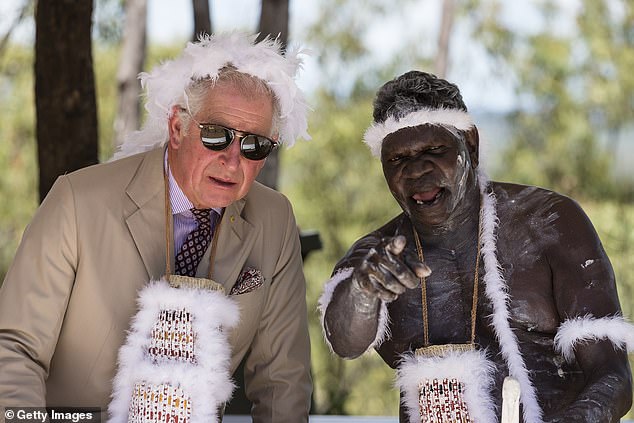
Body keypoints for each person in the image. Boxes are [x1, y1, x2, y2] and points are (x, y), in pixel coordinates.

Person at [0, 33, 312, 422]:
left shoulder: (274, 217)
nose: (233, 162)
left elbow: (282, 381)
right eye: (216, 135)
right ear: (178, 127)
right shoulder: (77, 200)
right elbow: (13, 350)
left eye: (254, 146)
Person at [319, 70, 633, 423]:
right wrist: (362, 291)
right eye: (397, 160)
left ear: (470, 144)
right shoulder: (378, 258)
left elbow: (612, 376)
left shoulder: (550, 223)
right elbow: (344, 340)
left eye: (434, 150)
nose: (416, 171)